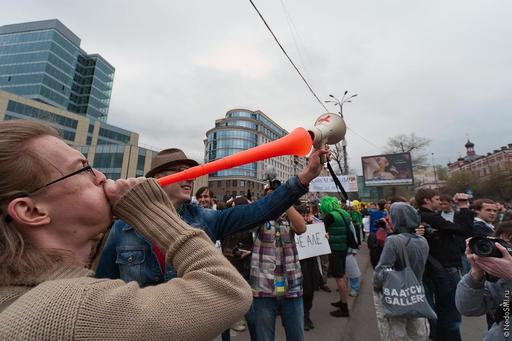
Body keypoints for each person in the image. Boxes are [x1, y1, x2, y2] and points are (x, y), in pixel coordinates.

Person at [0, 120, 252, 340]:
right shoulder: (71, 310)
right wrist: (149, 210)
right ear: (30, 211)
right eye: (83, 168)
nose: (100, 176)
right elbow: (227, 292)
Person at [96, 147, 325, 287]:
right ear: (156, 180)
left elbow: (258, 211)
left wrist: (305, 176)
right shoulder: (122, 228)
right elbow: (104, 285)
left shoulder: (205, 219)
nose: (190, 178)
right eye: (179, 173)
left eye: (191, 173)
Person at [247, 184, 307, 341]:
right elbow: (248, 226)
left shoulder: (289, 216)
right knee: (264, 337)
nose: (274, 197)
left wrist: (285, 202)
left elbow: (301, 228)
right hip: (263, 288)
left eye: (277, 194)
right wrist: (267, 206)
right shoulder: (260, 214)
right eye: (270, 195)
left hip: (292, 287)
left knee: (297, 336)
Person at [416, 189, 473, 341]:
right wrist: (464, 207)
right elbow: (464, 230)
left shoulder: (417, 217)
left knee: (432, 307)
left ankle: (435, 335)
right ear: (427, 201)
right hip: (444, 268)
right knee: (450, 312)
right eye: (436, 199)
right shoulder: (432, 218)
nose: (439, 202)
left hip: (427, 268)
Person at [373, 202, 430, 341]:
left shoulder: (393, 241)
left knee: (395, 332)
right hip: (415, 292)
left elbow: (381, 271)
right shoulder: (422, 240)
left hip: (395, 294)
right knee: (417, 332)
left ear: (397, 219)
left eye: (390, 216)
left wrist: (376, 286)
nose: (388, 218)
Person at [456, 220, 512, 341]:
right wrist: (476, 272)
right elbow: (468, 308)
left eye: (508, 246)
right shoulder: (498, 277)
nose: (505, 250)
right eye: (500, 245)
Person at [320, 196, 353, 317]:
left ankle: (344, 308)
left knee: (339, 277)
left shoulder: (330, 216)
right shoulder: (343, 213)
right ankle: (342, 301)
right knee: (342, 275)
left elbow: (323, 231)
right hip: (343, 247)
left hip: (335, 249)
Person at [296, 204, 322, 331]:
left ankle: (306, 315)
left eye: (307, 215)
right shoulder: (292, 228)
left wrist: (323, 237)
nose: (305, 218)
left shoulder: (313, 227)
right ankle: (302, 316)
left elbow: (318, 243)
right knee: (300, 291)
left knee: (309, 291)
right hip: (297, 265)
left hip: (311, 264)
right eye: (302, 215)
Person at [368, 199, 388, 268]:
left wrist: (371, 234)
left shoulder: (373, 213)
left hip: (375, 234)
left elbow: (371, 224)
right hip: (384, 235)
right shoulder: (386, 214)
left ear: (378, 206)